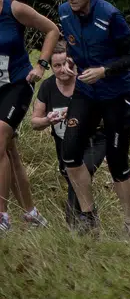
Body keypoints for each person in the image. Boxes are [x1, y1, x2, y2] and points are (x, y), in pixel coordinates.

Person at [57, 0, 130, 236]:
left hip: (117, 93)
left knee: (117, 162)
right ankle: (88, 216)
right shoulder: (64, 12)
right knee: (70, 154)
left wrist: (104, 70)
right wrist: (71, 62)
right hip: (86, 90)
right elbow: (73, 45)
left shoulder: (109, 14)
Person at [0, 0, 58, 231]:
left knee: (0, 137)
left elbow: (52, 30)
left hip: (18, 84)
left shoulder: (14, 9)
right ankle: (32, 213)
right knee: (9, 152)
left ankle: (2, 217)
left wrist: (41, 65)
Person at [32, 44, 106, 227]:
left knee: (81, 172)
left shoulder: (86, 82)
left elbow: (106, 113)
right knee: (73, 178)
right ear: (51, 67)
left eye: (65, 64)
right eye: (57, 66)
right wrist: (48, 119)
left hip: (93, 140)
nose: (62, 69)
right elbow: (35, 122)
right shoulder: (48, 87)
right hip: (64, 143)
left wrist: (78, 114)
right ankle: (90, 219)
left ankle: (74, 222)